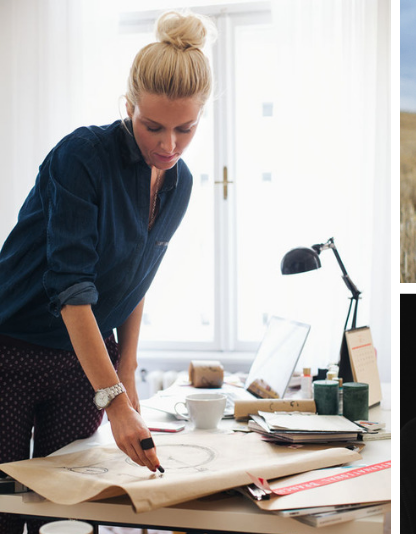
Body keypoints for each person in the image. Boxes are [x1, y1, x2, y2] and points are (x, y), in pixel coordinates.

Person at [0, 10, 214, 533]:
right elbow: (73, 289)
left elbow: (135, 279)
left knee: (72, 511)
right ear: (128, 108)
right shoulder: (82, 156)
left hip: (84, 362)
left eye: (184, 129)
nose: (168, 145)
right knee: (5, 503)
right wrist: (115, 401)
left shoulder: (179, 183)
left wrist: (126, 369)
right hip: (11, 347)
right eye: (152, 126)